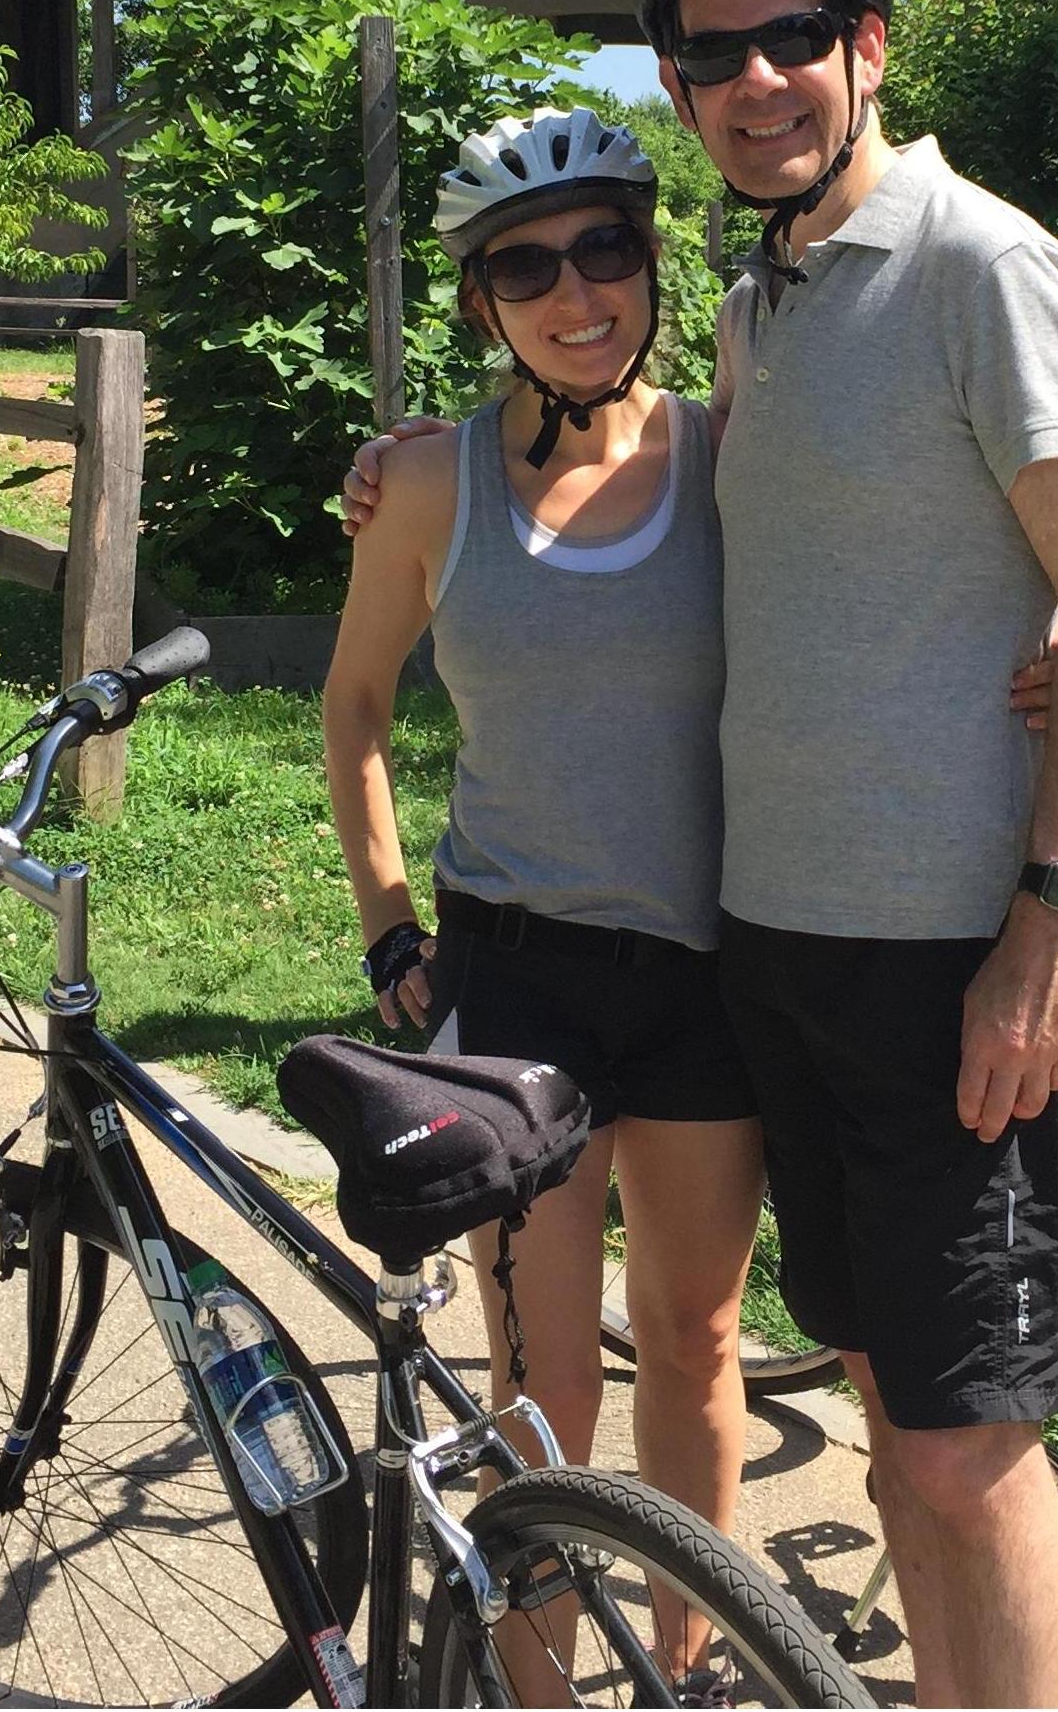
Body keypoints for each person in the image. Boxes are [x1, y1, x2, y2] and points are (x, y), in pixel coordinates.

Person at [348, 0, 1058, 1708]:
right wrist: (417, 458)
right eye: (711, 51)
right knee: (893, 1434)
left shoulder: (981, 262)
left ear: (868, 45)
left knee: (965, 1451)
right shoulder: (760, 309)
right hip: (772, 948)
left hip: (949, 950)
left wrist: (1051, 927)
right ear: (678, 89)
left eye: (795, 34)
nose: (757, 78)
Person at [320, 105, 760, 1696]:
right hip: (515, 987)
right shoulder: (431, 490)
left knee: (698, 1352)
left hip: (707, 971)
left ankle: (694, 1664)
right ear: (479, 300)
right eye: (526, 265)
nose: (576, 293)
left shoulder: (732, 455)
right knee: (538, 1391)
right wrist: (387, 920)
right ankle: (533, 1682)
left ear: (652, 257)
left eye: (605, 248)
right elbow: (354, 705)